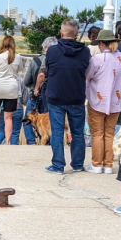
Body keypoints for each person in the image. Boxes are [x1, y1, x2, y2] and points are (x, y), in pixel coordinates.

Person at [36, 19, 91, 174]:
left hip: (56, 96)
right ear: (77, 33)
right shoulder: (85, 52)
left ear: (61, 33)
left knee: (57, 131)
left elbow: (47, 68)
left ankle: (58, 165)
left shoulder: (52, 51)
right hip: (77, 96)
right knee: (77, 132)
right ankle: (78, 163)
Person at [83, 29, 121, 173]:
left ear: (102, 43)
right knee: (109, 134)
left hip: (97, 99)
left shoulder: (97, 59)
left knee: (97, 133)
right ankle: (108, 164)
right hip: (116, 101)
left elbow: (88, 76)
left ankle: (96, 164)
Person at [0, 36, 24, 145]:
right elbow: (20, 69)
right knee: (8, 117)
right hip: (11, 88)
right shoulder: (18, 57)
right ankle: (8, 142)